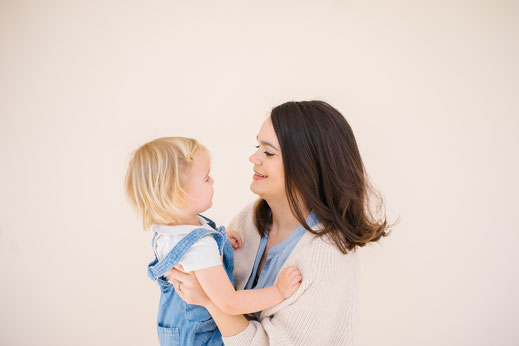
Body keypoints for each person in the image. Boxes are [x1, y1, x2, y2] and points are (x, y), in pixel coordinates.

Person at [168, 101, 390, 345]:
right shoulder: (249, 220)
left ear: (307, 167)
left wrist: (212, 303)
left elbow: (211, 300)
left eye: (269, 152)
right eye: (257, 147)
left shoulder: (327, 257)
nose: (254, 158)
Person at [124, 137, 303, 346]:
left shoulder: (169, 230)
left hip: (175, 332)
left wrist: (221, 240)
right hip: (203, 338)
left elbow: (192, 255)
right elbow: (229, 303)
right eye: (206, 178)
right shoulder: (199, 247)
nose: (213, 181)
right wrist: (278, 291)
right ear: (180, 195)